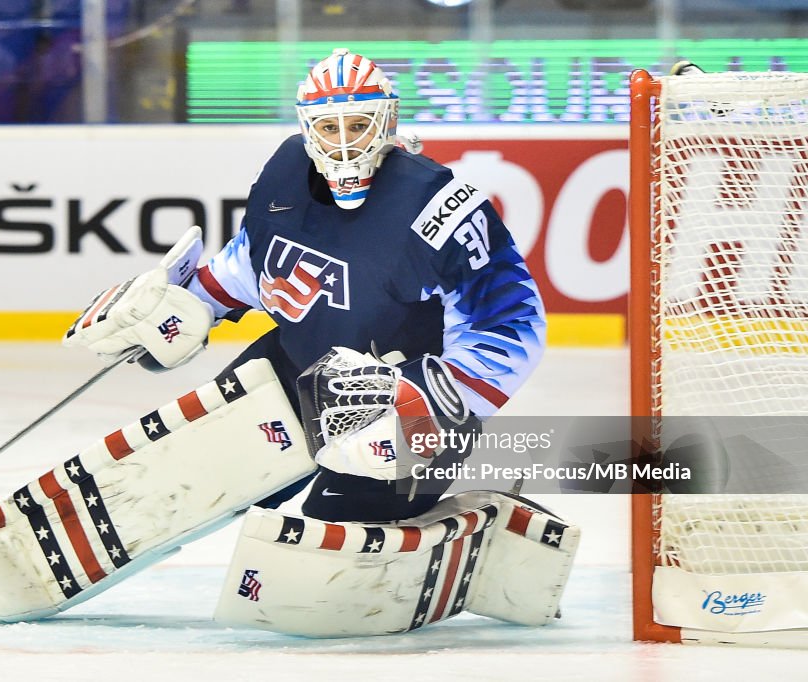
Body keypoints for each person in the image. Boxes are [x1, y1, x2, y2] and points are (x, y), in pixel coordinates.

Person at [65, 47, 546, 525]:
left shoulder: (435, 207)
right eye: (328, 127)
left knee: (336, 534)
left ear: (388, 121)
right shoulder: (286, 173)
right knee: (197, 484)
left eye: (358, 125)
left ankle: (467, 517)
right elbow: (252, 264)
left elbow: (511, 321)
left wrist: (427, 405)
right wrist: (186, 305)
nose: (343, 143)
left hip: (397, 392)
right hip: (292, 365)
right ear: (306, 126)